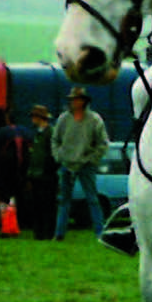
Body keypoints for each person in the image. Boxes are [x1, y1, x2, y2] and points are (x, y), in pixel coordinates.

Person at [53, 87, 108, 240]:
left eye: (76, 99)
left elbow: (103, 143)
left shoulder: (94, 119)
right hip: (67, 164)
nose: (73, 102)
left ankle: (100, 233)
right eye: (71, 100)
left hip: (86, 165)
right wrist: (59, 156)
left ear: (84, 101)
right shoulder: (64, 119)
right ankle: (59, 234)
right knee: (64, 201)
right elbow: (55, 139)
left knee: (92, 199)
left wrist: (91, 159)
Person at [26, 104, 58, 240]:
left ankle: (48, 233)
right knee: (37, 205)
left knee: (48, 206)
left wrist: (48, 170)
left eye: (34, 116)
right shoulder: (38, 134)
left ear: (40, 118)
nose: (32, 119)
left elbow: (54, 154)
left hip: (47, 176)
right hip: (36, 175)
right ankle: (38, 233)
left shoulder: (50, 133)